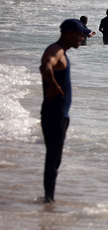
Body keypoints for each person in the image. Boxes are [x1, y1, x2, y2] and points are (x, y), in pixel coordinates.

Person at [39, 19, 90, 203]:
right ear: (68, 33)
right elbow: (45, 66)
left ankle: (48, 197)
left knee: (55, 157)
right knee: (53, 157)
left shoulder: (60, 51)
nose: (83, 38)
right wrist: (54, 85)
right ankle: (48, 199)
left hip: (56, 113)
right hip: (55, 113)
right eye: (80, 34)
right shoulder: (57, 51)